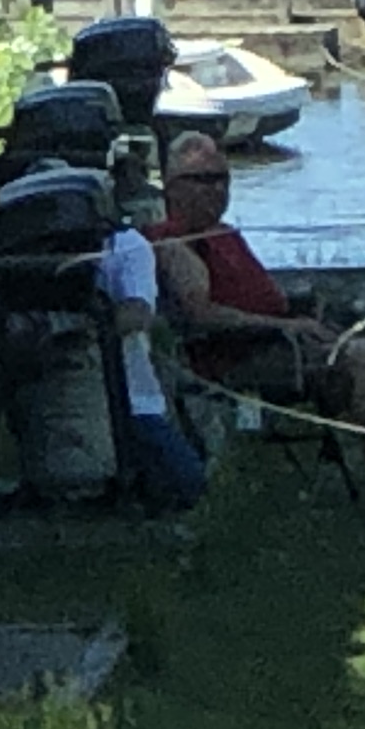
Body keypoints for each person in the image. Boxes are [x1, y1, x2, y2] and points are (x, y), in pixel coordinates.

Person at [154, 131, 365, 510]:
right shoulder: (174, 243)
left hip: (288, 341)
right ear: (171, 185)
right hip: (247, 356)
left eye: (222, 178)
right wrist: (284, 326)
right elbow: (201, 315)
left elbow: (266, 297)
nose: (216, 189)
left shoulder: (224, 234)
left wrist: (305, 312)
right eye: (202, 180)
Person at [98, 162, 207, 511]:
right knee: (190, 485)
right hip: (121, 404)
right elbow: (138, 315)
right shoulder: (128, 246)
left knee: (187, 483)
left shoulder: (125, 245)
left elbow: (138, 315)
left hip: (127, 399)